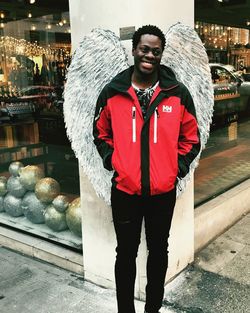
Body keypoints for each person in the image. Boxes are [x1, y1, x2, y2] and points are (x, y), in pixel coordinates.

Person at [93, 25, 200, 313]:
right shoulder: (113, 93)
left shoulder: (177, 94)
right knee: (125, 254)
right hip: (125, 191)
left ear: (161, 54)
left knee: (158, 253)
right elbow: (100, 133)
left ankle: (153, 309)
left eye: (155, 50)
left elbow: (192, 139)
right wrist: (114, 161)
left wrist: (173, 170)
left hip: (161, 193)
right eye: (144, 48)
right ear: (134, 50)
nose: (149, 55)